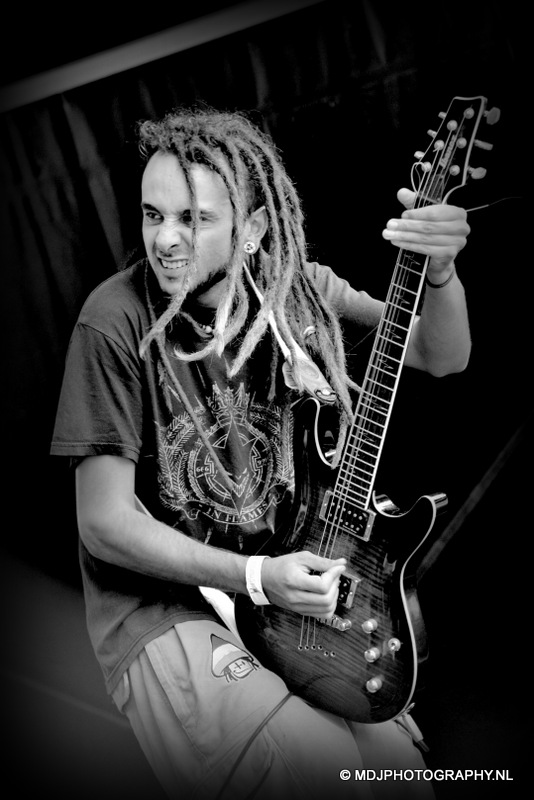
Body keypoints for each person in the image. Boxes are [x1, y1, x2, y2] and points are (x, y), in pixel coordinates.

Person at [51, 107, 471, 800]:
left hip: (286, 604)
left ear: (252, 230)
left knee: (403, 778)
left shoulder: (293, 290)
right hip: (168, 611)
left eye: (194, 219)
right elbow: (103, 523)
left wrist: (443, 273)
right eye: (153, 215)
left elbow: (440, 354)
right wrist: (255, 577)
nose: (165, 239)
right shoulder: (113, 320)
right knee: (316, 769)